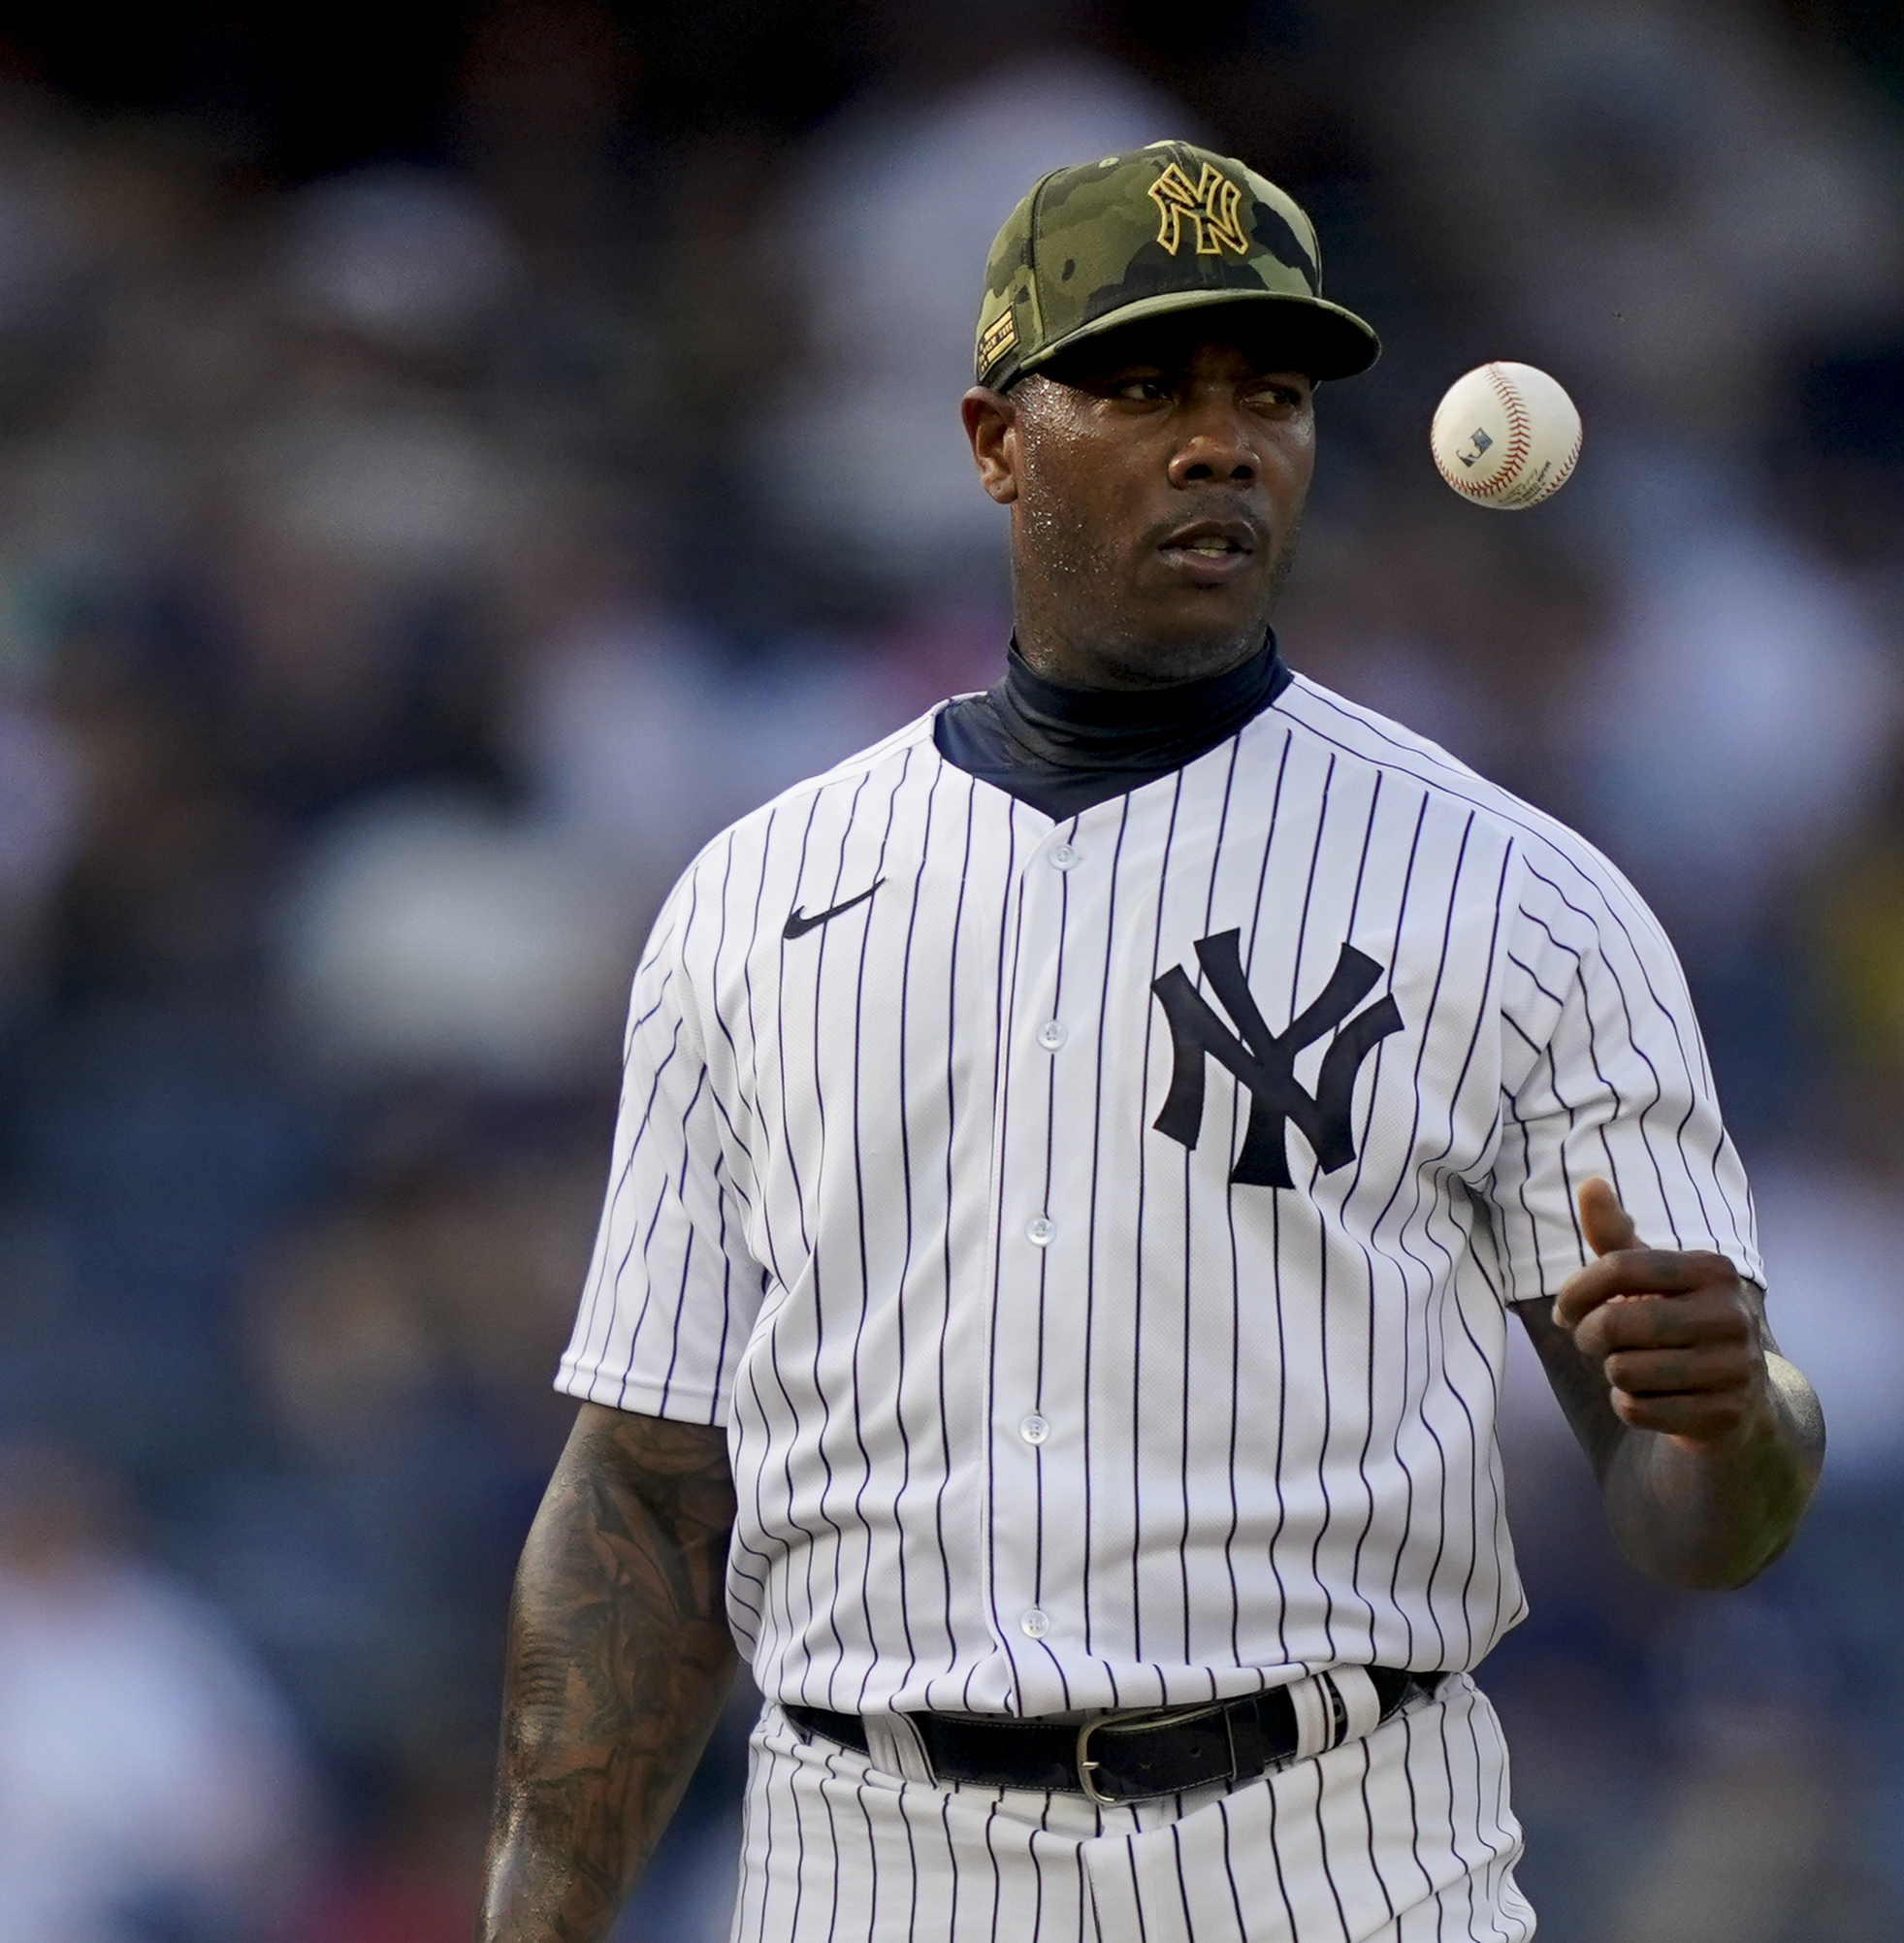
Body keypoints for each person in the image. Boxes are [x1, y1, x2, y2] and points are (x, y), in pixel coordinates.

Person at [478, 142, 1823, 1943]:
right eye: (1141, 386)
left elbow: (1696, 1520)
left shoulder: (1519, 897)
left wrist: (1743, 1423)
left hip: (1335, 1858)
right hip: (864, 1865)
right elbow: (644, 1507)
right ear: (992, 440)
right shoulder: (758, 897)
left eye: (1269, 394)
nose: (1223, 442)